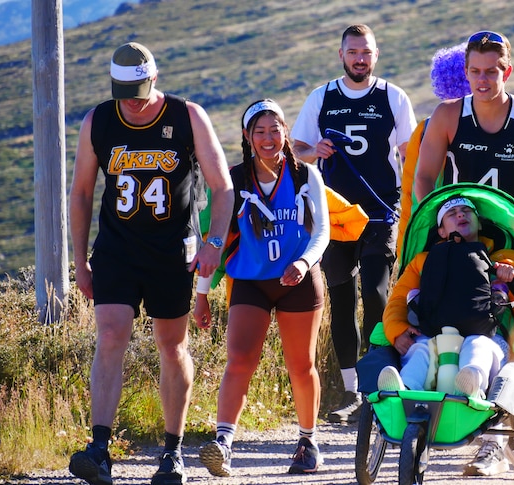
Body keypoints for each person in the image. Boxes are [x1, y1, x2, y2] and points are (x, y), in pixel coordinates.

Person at [68, 42, 234, 485]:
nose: (131, 102)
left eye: (138, 92)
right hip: (117, 250)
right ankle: (99, 449)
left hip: (171, 251)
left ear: (155, 80)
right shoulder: (99, 120)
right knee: (109, 334)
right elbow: (81, 193)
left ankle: (172, 452)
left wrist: (214, 241)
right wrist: (79, 261)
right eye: (123, 92)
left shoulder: (186, 116)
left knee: (171, 344)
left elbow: (223, 187)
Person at [196, 99, 330, 476]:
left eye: (275, 130)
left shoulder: (306, 175)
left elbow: (322, 232)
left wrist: (303, 263)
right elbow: (215, 238)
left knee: (300, 365)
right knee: (239, 359)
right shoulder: (232, 180)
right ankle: (223, 444)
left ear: (286, 132)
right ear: (247, 136)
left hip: (299, 281)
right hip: (251, 281)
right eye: (260, 131)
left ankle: (307, 442)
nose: (269, 138)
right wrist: (202, 294)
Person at [292, 24, 417, 424]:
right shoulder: (322, 97)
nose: (359, 59)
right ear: (341, 55)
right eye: (353, 52)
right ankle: (351, 393)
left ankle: (380, 386)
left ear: (376, 55)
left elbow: (410, 156)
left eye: (366, 52)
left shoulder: (393, 97)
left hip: (381, 213)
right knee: (342, 299)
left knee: (377, 295)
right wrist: (315, 150)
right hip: (336, 216)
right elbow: (295, 151)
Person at [377, 196, 514, 476]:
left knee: (477, 345)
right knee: (421, 350)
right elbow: (398, 299)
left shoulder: (506, 260)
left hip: (490, 339)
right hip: (434, 338)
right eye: (452, 213)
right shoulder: (424, 262)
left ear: (478, 221)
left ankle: (471, 380)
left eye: (466, 211)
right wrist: (397, 330)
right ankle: (402, 389)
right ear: (442, 231)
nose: (461, 215)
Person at [414, 30, 514, 242]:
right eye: (475, 71)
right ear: (466, 72)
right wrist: (443, 221)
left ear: (507, 72)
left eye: (491, 72)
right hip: (466, 236)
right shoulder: (447, 115)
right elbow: (424, 177)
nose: (482, 80)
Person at [396, 42, 472, 258]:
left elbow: (410, 191)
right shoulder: (495, 123)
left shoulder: (425, 128)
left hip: (439, 225)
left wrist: (407, 244)